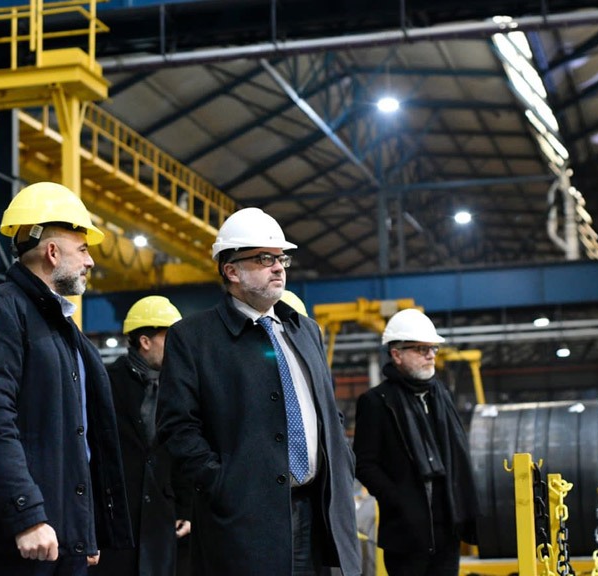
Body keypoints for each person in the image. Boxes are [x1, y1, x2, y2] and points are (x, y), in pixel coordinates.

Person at [0, 182, 132, 575]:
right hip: (21, 540)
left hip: (62, 538)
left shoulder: (65, 332)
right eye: (83, 249)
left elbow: (78, 439)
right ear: (52, 251)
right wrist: (26, 515)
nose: (90, 262)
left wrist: (85, 528)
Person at [157, 207, 362, 575]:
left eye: (281, 257)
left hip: (319, 513)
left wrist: (342, 465)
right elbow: (177, 429)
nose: (278, 267)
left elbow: (329, 411)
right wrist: (224, 484)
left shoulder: (305, 330)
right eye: (264, 258)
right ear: (231, 270)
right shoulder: (193, 338)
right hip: (244, 521)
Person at [353, 309, 481, 576]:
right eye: (421, 349)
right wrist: (398, 501)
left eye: (432, 348)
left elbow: (457, 455)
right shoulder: (377, 402)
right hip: (406, 536)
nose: (431, 355)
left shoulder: (441, 395)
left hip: (448, 530)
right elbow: (365, 464)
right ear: (396, 354)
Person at [92, 296, 192, 576]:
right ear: (145, 341)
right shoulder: (106, 383)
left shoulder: (179, 387)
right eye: (169, 337)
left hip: (165, 520)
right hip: (118, 522)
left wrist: (187, 508)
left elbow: (183, 449)